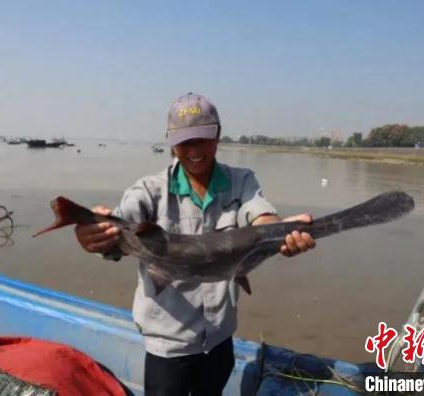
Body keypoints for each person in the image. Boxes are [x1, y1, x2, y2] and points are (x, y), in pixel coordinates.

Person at [75, 93, 317, 396]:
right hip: (168, 344)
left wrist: (282, 232)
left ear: (217, 136)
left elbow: (261, 217)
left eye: (202, 139)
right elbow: (121, 223)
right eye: (185, 142)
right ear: (171, 143)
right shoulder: (149, 191)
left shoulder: (241, 181)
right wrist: (95, 235)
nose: (194, 151)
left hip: (219, 339)